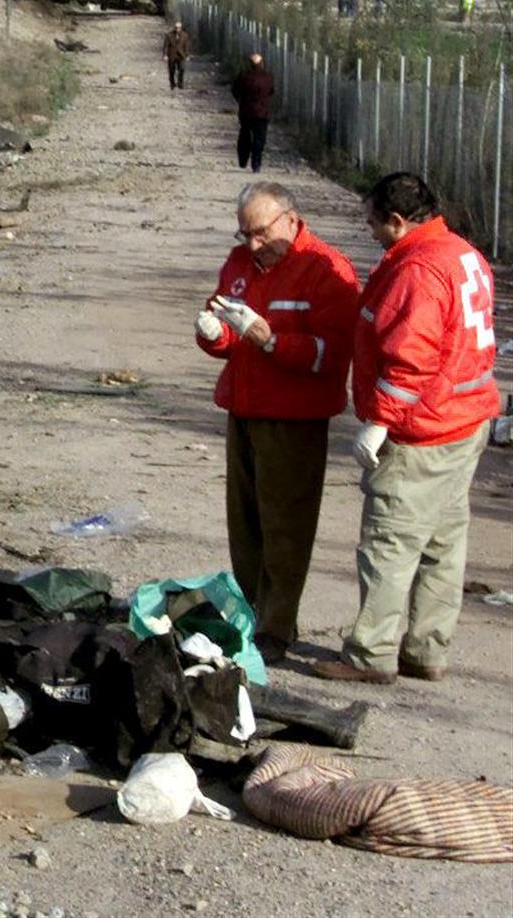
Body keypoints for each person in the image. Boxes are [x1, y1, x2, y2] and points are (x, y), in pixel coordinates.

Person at [315, 174, 498, 684]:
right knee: (443, 542)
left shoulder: (417, 269)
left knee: (389, 542)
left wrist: (379, 423)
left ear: (397, 221)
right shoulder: (462, 253)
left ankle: (371, 653)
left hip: (424, 430)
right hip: (466, 420)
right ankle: (426, 650)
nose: (371, 232)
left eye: (374, 222)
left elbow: (410, 360)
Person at [196, 182, 360, 662]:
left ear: (291, 219)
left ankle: (276, 627)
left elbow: (332, 356)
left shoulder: (325, 271)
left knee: (285, 526)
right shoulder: (239, 264)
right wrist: (213, 336)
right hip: (244, 408)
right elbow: (227, 330)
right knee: (244, 523)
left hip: (294, 419)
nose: (253, 245)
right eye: (245, 233)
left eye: (261, 233)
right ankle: (247, 612)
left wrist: (270, 341)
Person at [231, 51, 273, 172]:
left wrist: (241, 101)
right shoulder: (268, 77)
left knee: (245, 135)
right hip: (262, 113)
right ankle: (256, 164)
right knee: (259, 139)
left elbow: (235, 91)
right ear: (261, 64)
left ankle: (243, 160)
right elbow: (271, 91)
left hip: (246, 111)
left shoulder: (244, 76)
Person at [162, 20, 192, 90]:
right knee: (172, 71)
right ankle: (172, 84)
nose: (177, 29)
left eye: (179, 28)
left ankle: (180, 84)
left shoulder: (185, 35)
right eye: (176, 27)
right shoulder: (169, 35)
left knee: (182, 69)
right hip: (172, 55)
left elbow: (186, 46)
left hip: (181, 55)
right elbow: (165, 46)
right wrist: (165, 55)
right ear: (174, 28)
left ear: (181, 28)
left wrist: (187, 55)